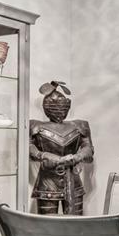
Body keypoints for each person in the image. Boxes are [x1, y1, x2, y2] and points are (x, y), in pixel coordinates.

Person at [29, 81, 94, 214]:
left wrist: (78, 156)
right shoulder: (35, 125)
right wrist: (43, 155)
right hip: (47, 182)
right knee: (47, 226)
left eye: (63, 104)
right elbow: (28, 147)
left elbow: (88, 148)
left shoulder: (79, 125)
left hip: (73, 179)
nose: (60, 107)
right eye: (55, 104)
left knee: (74, 225)